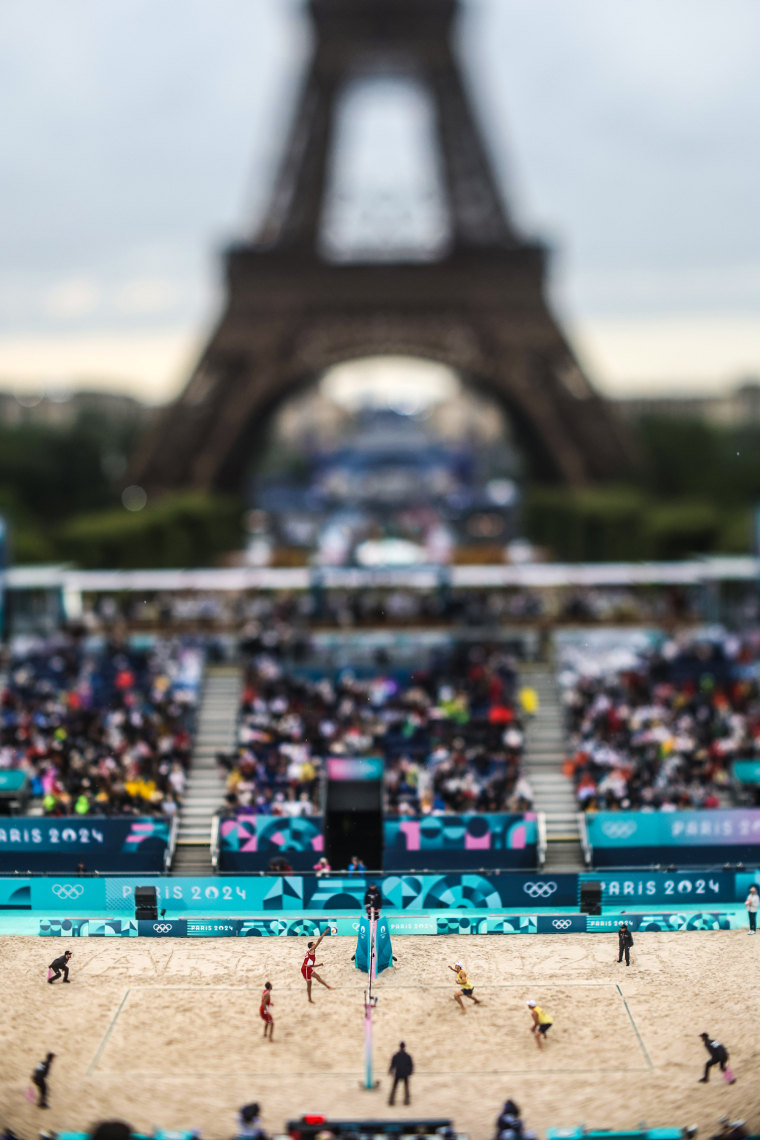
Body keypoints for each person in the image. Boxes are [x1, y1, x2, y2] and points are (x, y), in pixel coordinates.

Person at [301, 929, 333, 1002]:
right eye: (313, 944)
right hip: (305, 969)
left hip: (307, 968)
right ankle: (309, 999)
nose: (315, 944)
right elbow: (319, 941)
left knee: (318, 977)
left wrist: (318, 964)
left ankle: (328, 987)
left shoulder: (310, 951)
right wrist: (324, 933)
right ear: (311, 946)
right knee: (309, 984)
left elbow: (310, 965)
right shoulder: (312, 950)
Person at [388, 1041, 413, 1107]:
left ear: (399, 1046)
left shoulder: (396, 1055)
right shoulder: (408, 1056)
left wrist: (390, 1071)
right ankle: (406, 1101)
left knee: (394, 1088)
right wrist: (409, 1072)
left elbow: (392, 1065)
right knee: (406, 1088)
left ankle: (391, 1101)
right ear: (404, 1047)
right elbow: (410, 1065)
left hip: (398, 1073)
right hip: (405, 1074)